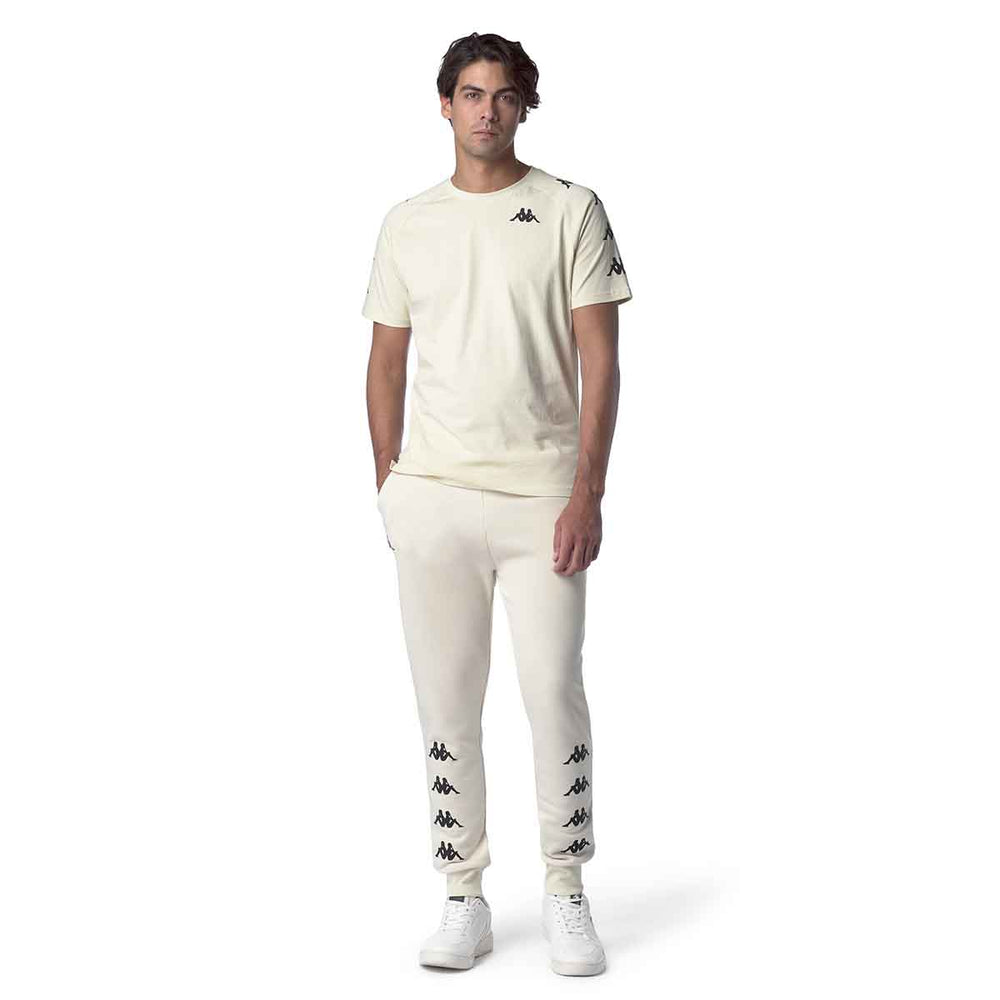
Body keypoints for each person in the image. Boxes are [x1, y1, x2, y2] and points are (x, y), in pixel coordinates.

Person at [362, 31, 632, 977]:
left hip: (541, 499)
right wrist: (392, 486)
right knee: (445, 701)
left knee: (552, 690)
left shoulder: (569, 210)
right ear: (445, 104)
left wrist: (587, 490)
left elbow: (601, 360)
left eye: (505, 95)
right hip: (434, 500)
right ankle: (461, 893)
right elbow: (385, 361)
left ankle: (565, 886)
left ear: (525, 106)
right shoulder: (408, 223)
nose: (487, 110)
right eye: (471, 94)